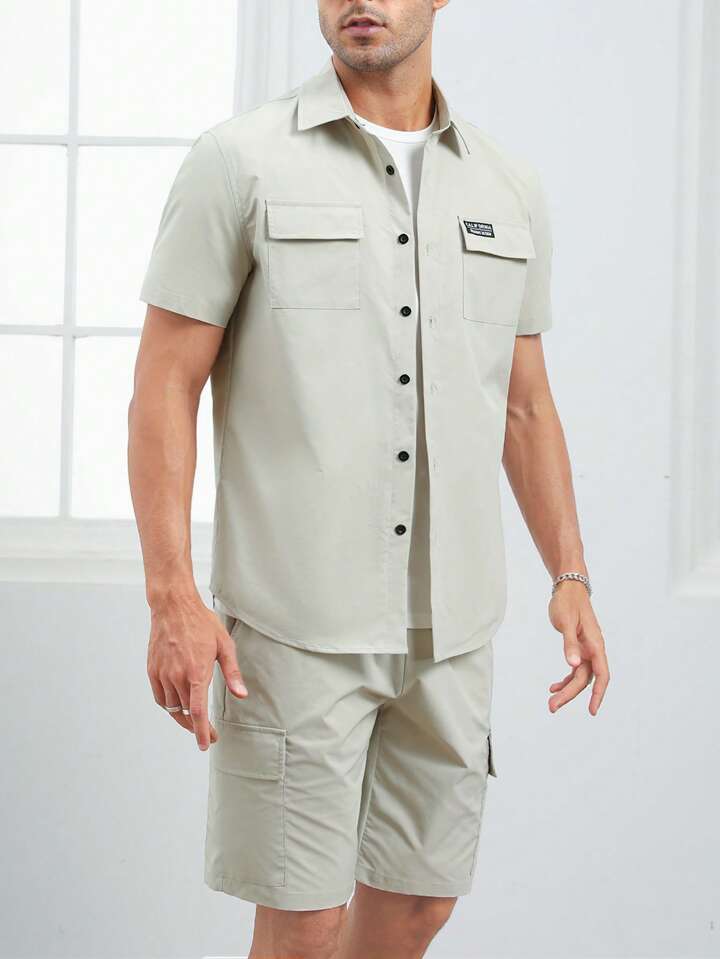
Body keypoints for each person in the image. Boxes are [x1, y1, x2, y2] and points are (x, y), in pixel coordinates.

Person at [128, 2, 610, 956]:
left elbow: (525, 405)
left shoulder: (507, 187)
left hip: (451, 630)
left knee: (420, 901)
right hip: (296, 625)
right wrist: (171, 594)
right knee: (304, 922)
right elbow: (164, 385)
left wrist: (571, 574)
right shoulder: (239, 162)